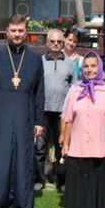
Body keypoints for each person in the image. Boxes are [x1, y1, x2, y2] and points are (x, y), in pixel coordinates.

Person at [0, 14, 45, 208]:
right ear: (7, 32)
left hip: (25, 112)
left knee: (23, 158)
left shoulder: (34, 58)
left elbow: (40, 92)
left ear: (26, 32)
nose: (17, 34)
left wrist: (39, 120)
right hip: (0, 112)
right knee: (1, 157)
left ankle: (22, 203)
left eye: (21, 31)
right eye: (13, 31)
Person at [60, 51, 105, 208]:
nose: (89, 70)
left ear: (100, 68)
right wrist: (65, 144)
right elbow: (68, 120)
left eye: (93, 66)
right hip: (77, 145)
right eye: (86, 66)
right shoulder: (75, 91)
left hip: (99, 145)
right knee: (76, 181)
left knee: (93, 182)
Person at [35, 28, 74, 191]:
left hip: (62, 113)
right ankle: (38, 180)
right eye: (53, 41)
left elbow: (74, 88)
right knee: (39, 148)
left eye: (59, 41)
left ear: (63, 42)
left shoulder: (70, 63)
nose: (56, 44)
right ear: (47, 42)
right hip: (43, 110)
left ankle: (62, 181)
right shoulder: (39, 62)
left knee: (62, 148)